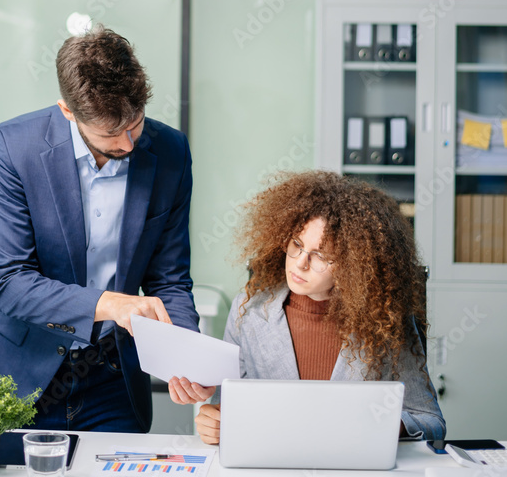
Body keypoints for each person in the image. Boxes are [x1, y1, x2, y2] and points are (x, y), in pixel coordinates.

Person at [0, 24, 199, 433]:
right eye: (110, 133)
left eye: (136, 123)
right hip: (15, 373)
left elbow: (169, 279)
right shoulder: (13, 147)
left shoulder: (171, 150)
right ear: (68, 111)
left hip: (112, 378)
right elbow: (10, 283)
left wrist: (187, 354)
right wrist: (110, 304)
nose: (129, 144)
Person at [169, 171, 445, 443]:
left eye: (321, 256)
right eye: (297, 245)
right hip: (270, 461)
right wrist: (215, 424)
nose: (300, 263)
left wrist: (382, 424)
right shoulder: (249, 309)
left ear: (354, 266)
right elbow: (225, 409)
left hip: (352, 464)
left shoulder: (385, 320)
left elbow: (431, 421)